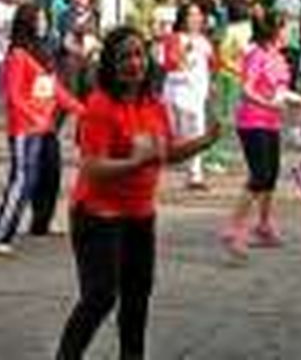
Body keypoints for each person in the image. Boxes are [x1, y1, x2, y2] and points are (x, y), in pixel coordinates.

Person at [56, 27, 221, 360]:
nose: (134, 63)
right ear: (111, 65)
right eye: (125, 57)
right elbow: (93, 168)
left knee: (137, 297)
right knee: (100, 296)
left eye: (139, 55)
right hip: (98, 216)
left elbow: (166, 154)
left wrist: (205, 140)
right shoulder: (100, 107)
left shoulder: (153, 105)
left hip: (140, 215)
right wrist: (135, 162)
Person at [0, 5, 85, 255]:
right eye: (40, 18)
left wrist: (83, 111)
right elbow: (14, 96)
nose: (43, 23)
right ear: (28, 22)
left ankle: (41, 223)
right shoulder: (18, 55)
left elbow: (55, 90)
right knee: (22, 181)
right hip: (25, 129)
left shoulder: (43, 52)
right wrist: (35, 117)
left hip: (45, 127)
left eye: (44, 18)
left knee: (51, 175)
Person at [222, 12, 301, 261]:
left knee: (270, 176)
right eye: (284, 27)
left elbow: (281, 91)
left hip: (271, 123)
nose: (288, 32)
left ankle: (264, 226)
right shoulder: (255, 55)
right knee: (259, 176)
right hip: (252, 122)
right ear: (273, 31)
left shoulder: (277, 57)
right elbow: (246, 90)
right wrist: (269, 105)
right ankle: (233, 228)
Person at [161, 2, 217, 189]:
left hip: (196, 94)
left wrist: (212, 84)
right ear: (183, 18)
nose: (196, 19)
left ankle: (195, 175)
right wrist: (186, 51)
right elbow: (170, 63)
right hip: (177, 92)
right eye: (191, 15)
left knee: (197, 132)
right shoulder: (174, 38)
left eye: (198, 15)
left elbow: (212, 64)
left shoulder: (205, 41)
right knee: (178, 134)